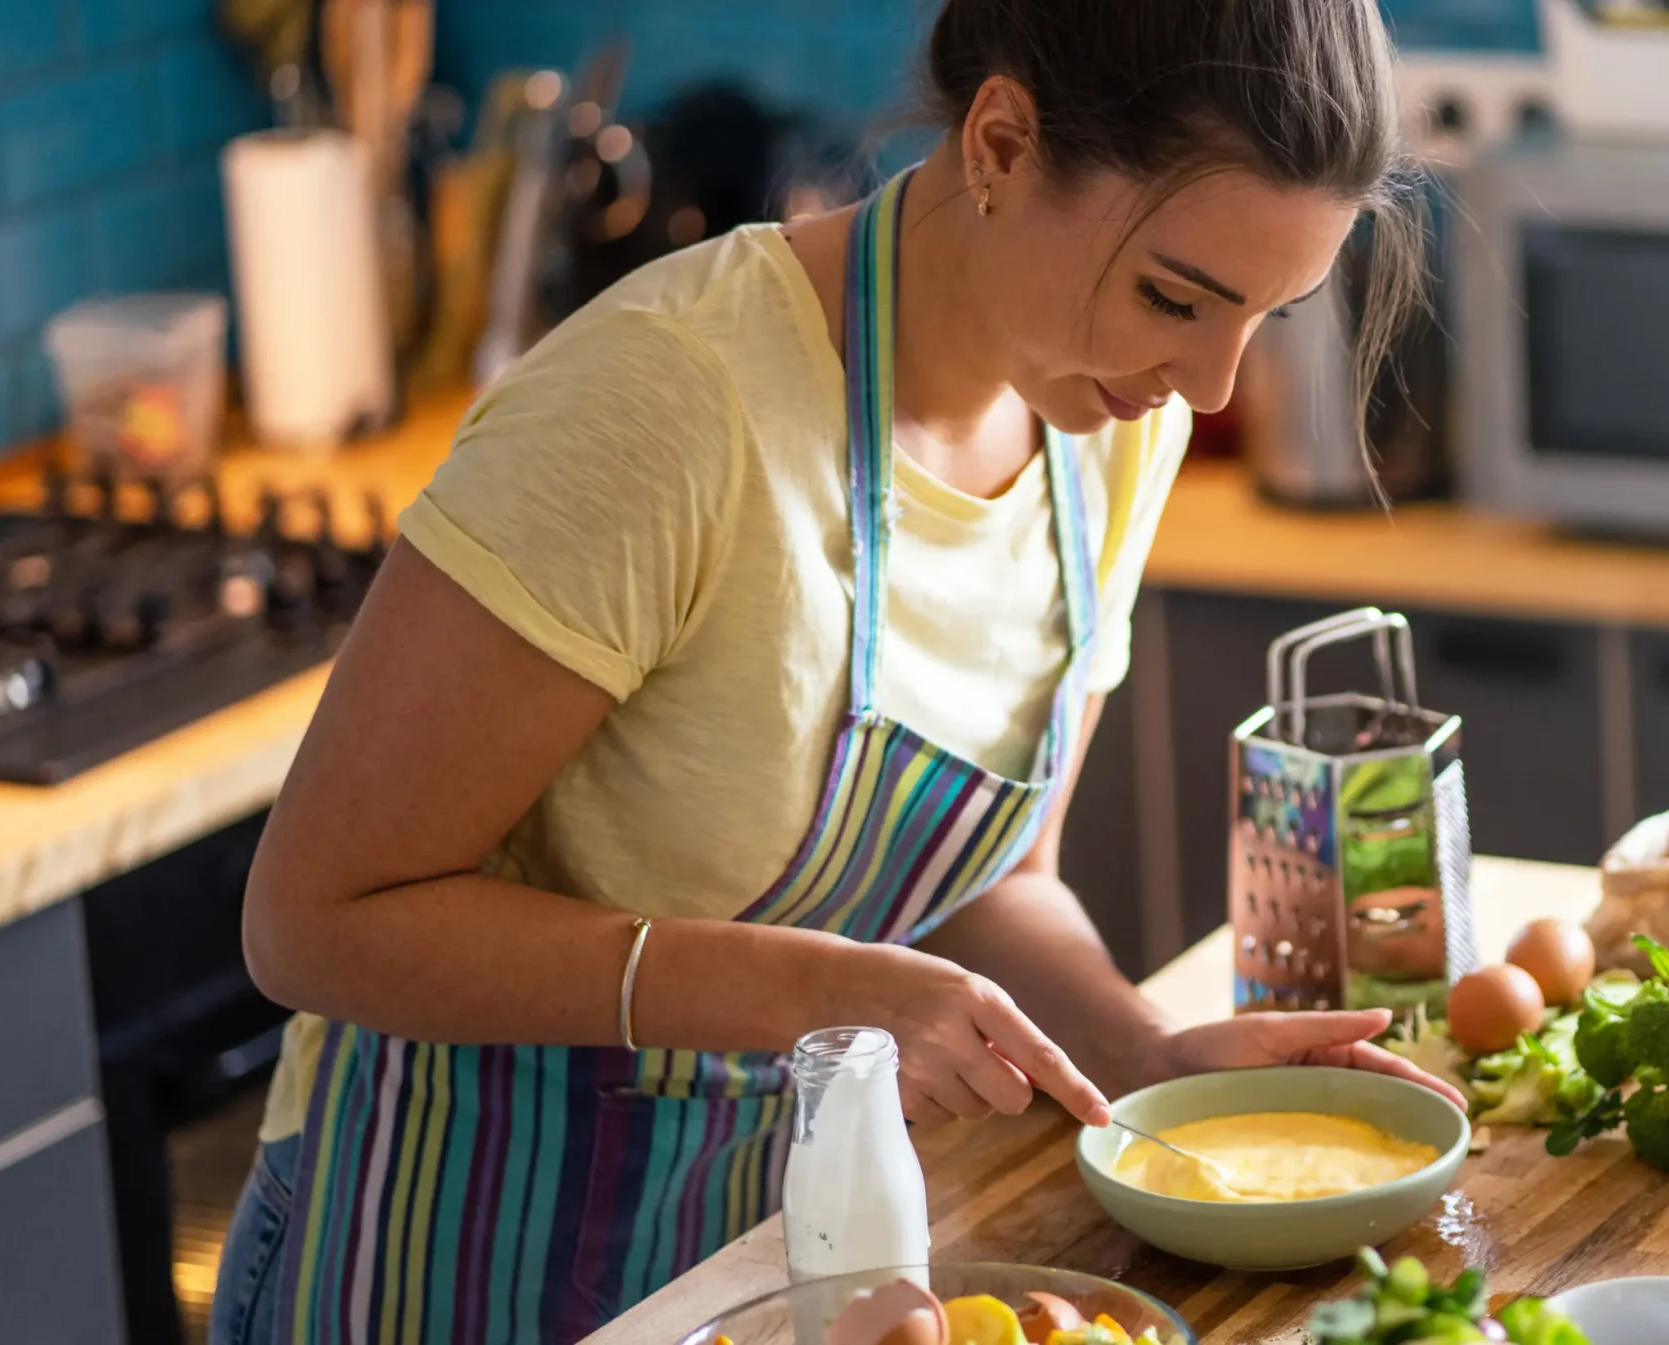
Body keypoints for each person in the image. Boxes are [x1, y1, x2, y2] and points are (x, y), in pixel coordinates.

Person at [209, 1, 1446, 1340]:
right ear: (1001, 143)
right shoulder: (668, 408)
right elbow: (312, 920)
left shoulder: (1102, 422)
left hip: (774, 1266)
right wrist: (812, 989)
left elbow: (989, 889)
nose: (1213, 386)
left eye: (1263, 316)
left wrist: (1140, 1061)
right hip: (443, 1260)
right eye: (1177, 296)